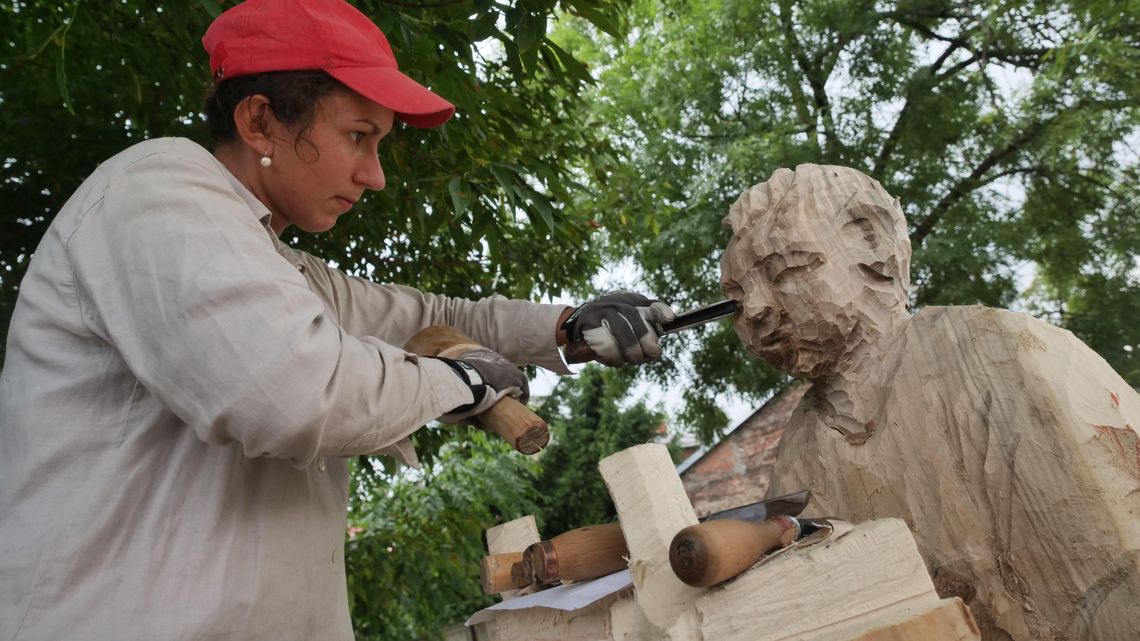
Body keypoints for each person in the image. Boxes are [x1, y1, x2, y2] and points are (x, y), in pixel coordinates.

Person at [0, 1, 674, 639]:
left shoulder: (275, 267)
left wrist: (569, 329)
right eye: (358, 136)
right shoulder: (154, 195)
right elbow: (293, 392)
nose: (375, 174)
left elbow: (432, 316)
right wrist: (459, 383)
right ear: (261, 121)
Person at [720, 164, 1139, 640]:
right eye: (735, 298)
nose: (754, 309)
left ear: (871, 242)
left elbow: (1115, 565)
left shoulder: (994, 351)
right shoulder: (797, 454)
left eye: (784, 270)